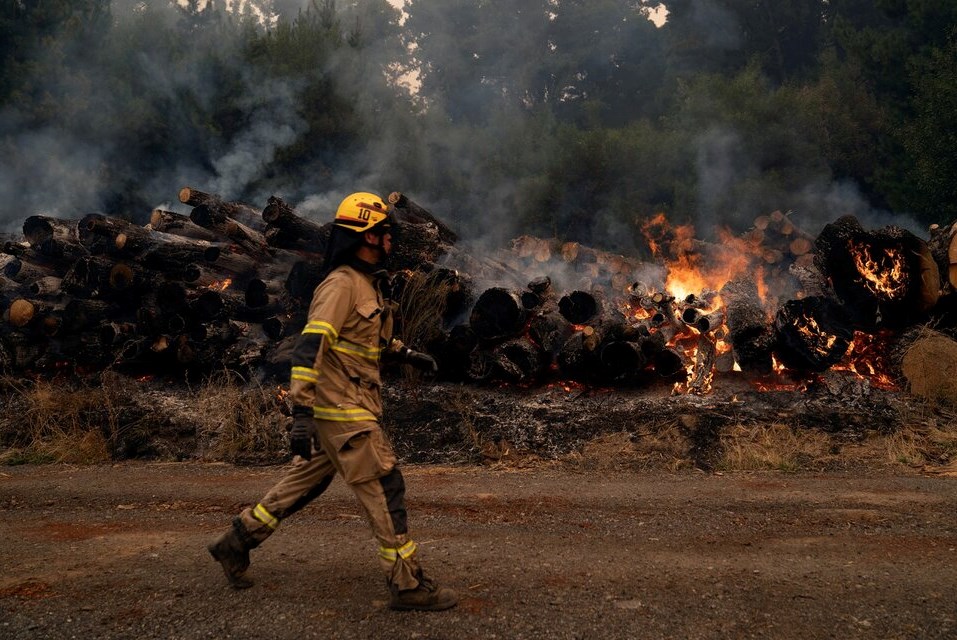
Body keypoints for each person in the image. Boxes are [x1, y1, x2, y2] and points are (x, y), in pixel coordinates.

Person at [208, 192, 457, 612]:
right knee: (384, 485)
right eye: (384, 234)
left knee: (305, 483)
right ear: (366, 237)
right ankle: (408, 583)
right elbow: (310, 350)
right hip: (342, 409)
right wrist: (301, 412)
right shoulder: (340, 285)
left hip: (344, 406)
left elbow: (364, 339)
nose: (391, 241)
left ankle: (236, 540)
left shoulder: (366, 285)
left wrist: (405, 353)